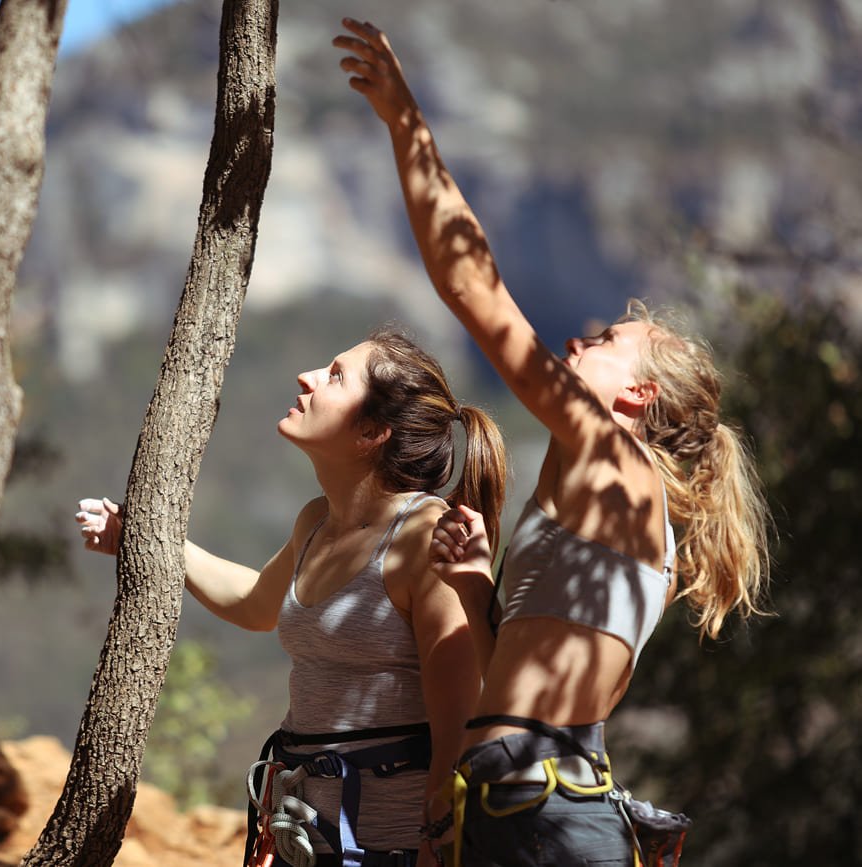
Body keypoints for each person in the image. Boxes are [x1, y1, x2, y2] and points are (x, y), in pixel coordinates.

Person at [334, 18, 772, 867]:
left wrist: (406, 124)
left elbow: (475, 290)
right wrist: (474, 581)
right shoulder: (592, 495)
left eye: (607, 339)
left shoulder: (615, 467)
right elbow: (515, 688)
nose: (580, 337)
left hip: (547, 818)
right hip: (520, 805)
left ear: (638, 396)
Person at [76, 325, 508, 867]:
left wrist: (435, 851)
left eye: (334, 377)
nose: (306, 378)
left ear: (372, 430)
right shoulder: (317, 522)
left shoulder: (426, 539)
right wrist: (139, 535)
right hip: (303, 840)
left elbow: (458, 727)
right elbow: (256, 601)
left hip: (390, 850)